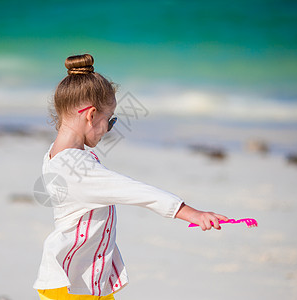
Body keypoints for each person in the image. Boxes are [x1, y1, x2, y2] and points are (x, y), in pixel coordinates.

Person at [33, 54, 228, 300]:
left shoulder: (54, 156)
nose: (107, 130)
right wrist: (193, 213)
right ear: (91, 115)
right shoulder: (78, 168)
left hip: (83, 281)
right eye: (109, 121)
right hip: (74, 285)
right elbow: (137, 191)